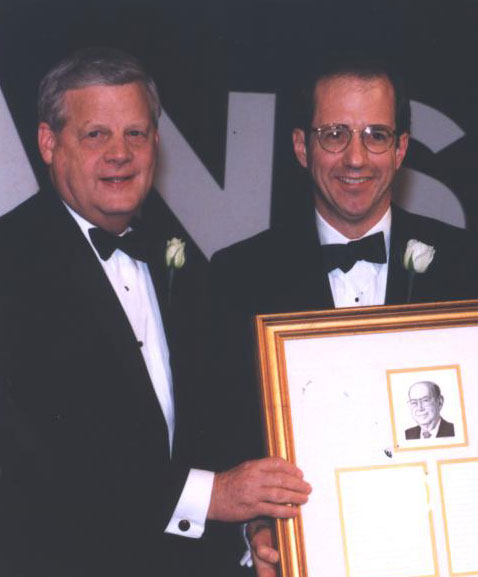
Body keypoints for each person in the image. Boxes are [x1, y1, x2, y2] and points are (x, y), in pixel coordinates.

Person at [0, 47, 310, 577]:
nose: (119, 153)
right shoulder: (11, 262)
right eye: (96, 134)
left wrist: (253, 525)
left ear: (156, 144)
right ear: (48, 143)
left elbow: (214, 425)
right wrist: (211, 496)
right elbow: (37, 460)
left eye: (136, 134)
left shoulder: (184, 265)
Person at [207, 52, 478, 575]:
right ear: (302, 146)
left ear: (401, 150)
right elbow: (222, 434)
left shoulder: (470, 263)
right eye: (334, 135)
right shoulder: (238, 275)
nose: (355, 158)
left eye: (375, 135)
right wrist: (255, 528)